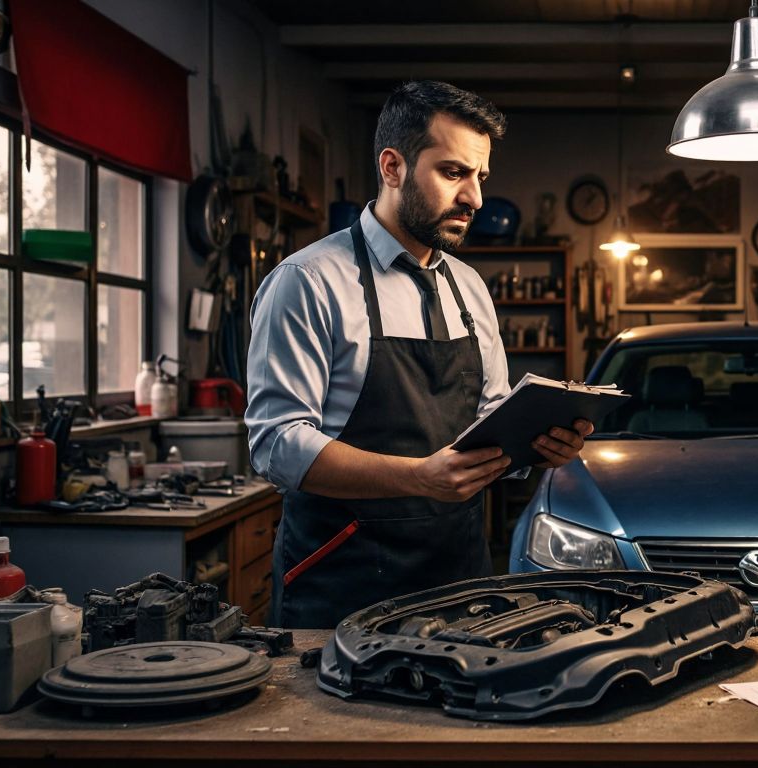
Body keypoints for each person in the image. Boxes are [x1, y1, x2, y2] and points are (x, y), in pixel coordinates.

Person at [246, 81, 592, 629]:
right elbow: (277, 445)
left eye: (480, 177)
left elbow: (489, 417)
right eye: (454, 173)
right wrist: (419, 477)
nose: (475, 198)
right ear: (392, 167)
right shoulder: (308, 281)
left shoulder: (470, 286)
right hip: (341, 589)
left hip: (459, 586)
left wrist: (536, 445)